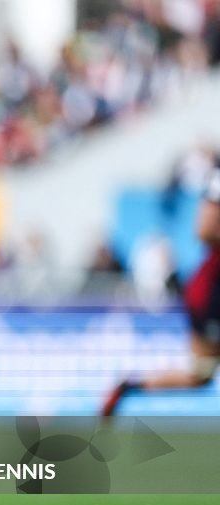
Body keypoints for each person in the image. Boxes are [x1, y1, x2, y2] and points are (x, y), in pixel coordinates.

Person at [101, 160, 220, 416]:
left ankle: (129, 386)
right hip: (212, 293)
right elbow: (204, 231)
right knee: (201, 372)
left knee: (200, 376)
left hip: (207, 289)